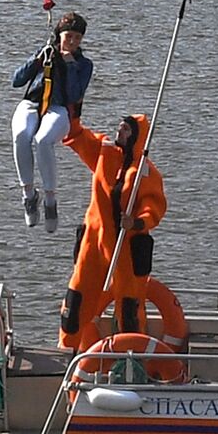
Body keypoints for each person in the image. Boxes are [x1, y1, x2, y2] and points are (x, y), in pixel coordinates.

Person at [58, 114, 168, 351]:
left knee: (130, 309)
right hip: (95, 241)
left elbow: (155, 206)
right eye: (120, 127)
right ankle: (67, 354)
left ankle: (131, 363)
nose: (120, 131)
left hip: (126, 247)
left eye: (126, 129)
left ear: (136, 137)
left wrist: (137, 222)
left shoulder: (145, 173)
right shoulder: (103, 152)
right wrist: (68, 113)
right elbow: (77, 137)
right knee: (75, 303)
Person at [10, 12, 94, 233]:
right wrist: (37, 60)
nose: (73, 42)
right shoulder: (46, 53)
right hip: (32, 103)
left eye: (77, 38)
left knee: (43, 139)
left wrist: (69, 65)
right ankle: (29, 195)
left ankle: (50, 200)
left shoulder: (84, 64)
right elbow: (16, 81)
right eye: (69, 37)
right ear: (59, 35)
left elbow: (75, 94)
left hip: (59, 109)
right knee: (21, 135)